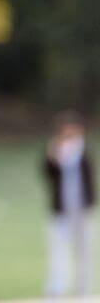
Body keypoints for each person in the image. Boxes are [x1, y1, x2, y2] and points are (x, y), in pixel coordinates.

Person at [43, 110, 95, 298]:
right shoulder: (56, 153)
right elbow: (47, 172)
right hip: (61, 210)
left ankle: (83, 290)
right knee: (58, 251)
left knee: (83, 251)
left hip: (81, 210)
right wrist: (54, 155)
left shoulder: (82, 153)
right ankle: (56, 289)